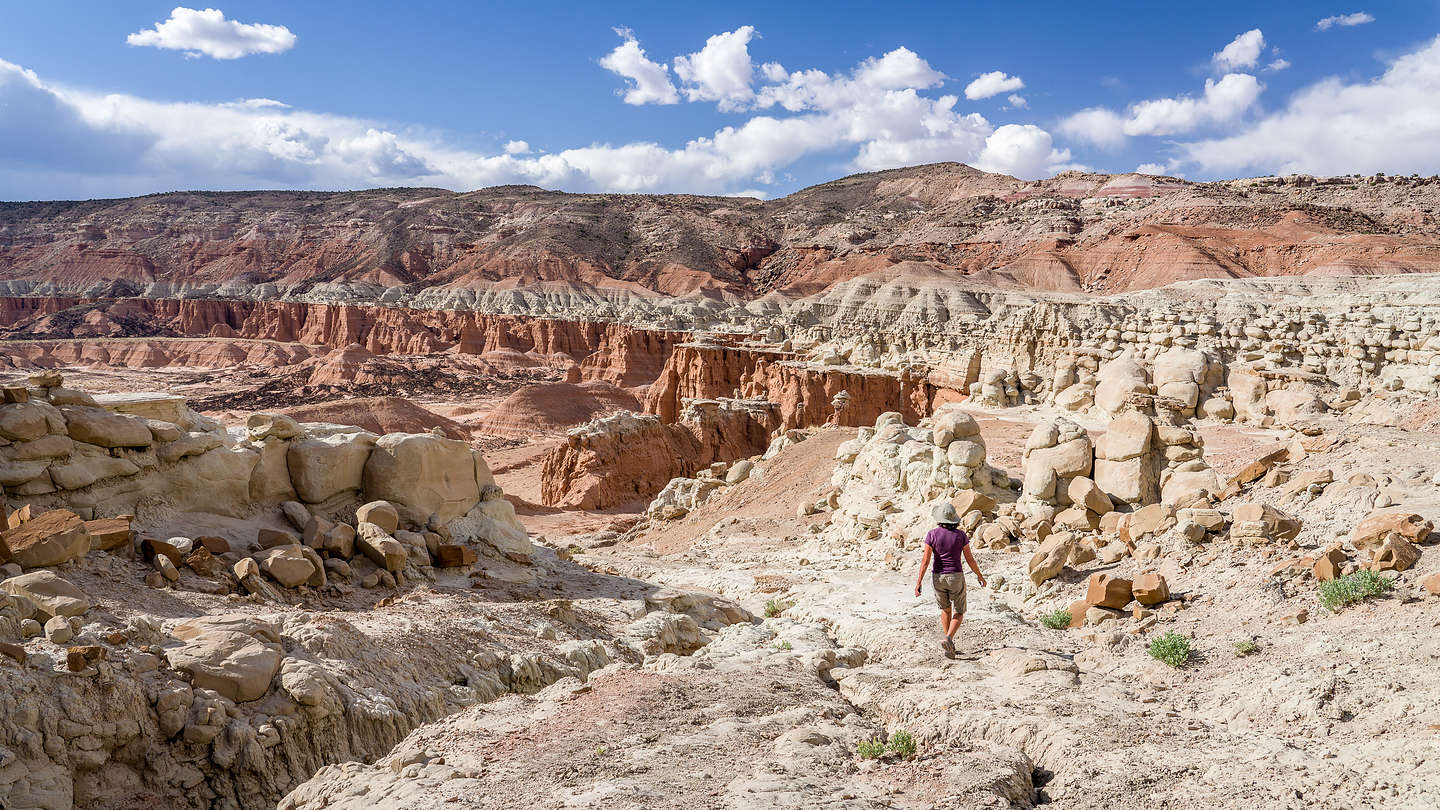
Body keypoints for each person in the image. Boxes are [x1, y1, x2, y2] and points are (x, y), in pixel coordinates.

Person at [913, 503, 985, 657]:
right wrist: (979, 575)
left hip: (937, 577)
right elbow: (969, 559)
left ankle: (949, 644)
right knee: (959, 611)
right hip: (955, 576)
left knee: (945, 610)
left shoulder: (932, 534)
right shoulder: (961, 535)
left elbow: (925, 560)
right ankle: (949, 638)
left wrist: (918, 582)